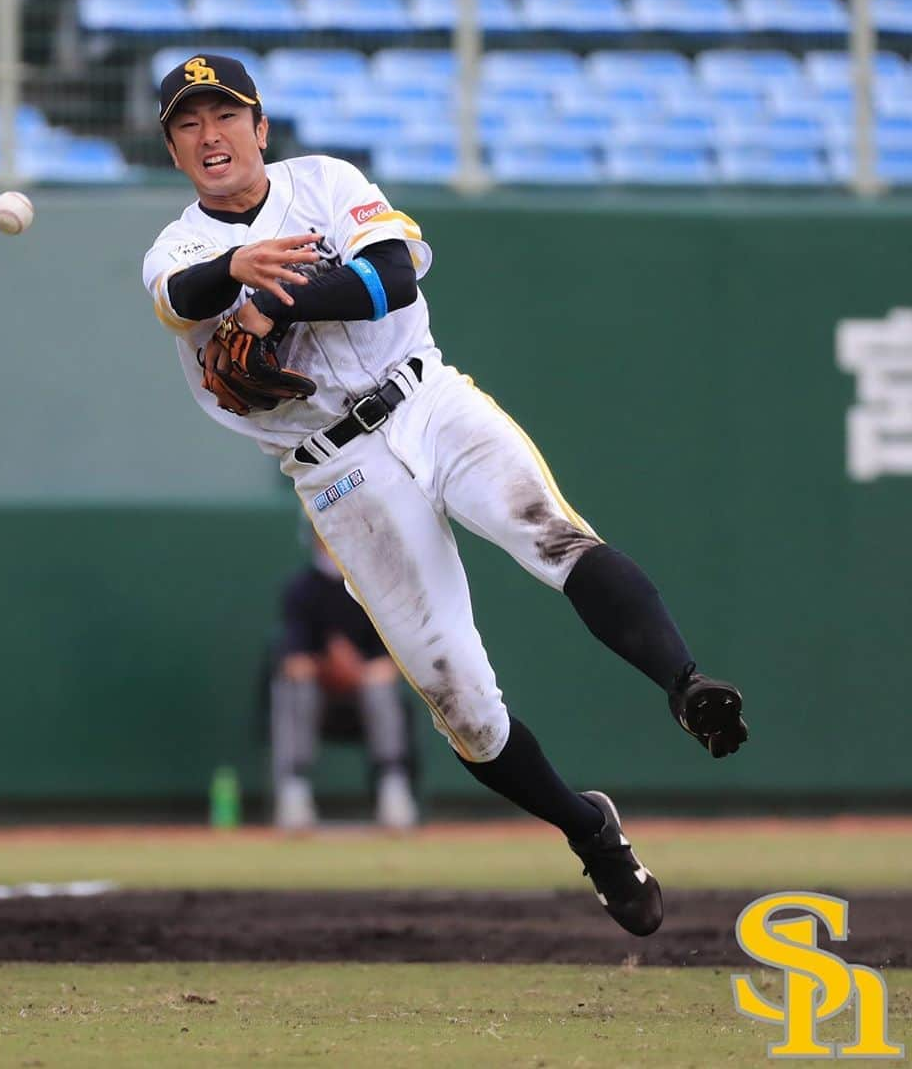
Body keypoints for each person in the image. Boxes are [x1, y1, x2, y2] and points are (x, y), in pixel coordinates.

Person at [142, 54, 748, 938]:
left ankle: (686, 684)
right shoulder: (179, 250)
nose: (210, 136)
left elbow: (392, 275)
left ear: (260, 128)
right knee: (461, 703)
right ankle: (594, 834)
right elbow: (186, 293)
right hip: (339, 470)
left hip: (429, 400)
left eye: (225, 116)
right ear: (172, 147)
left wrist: (275, 297)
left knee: (550, 535)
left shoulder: (325, 183)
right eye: (188, 124)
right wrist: (242, 268)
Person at [270, 533, 418, 832]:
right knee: (295, 689)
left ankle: (393, 788)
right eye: (321, 534)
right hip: (319, 699)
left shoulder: (373, 588)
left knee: (380, 689)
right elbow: (294, 663)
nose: (329, 540)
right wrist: (329, 666)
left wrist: (354, 670)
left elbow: (389, 664)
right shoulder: (301, 589)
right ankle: (294, 791)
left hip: (364, 696)